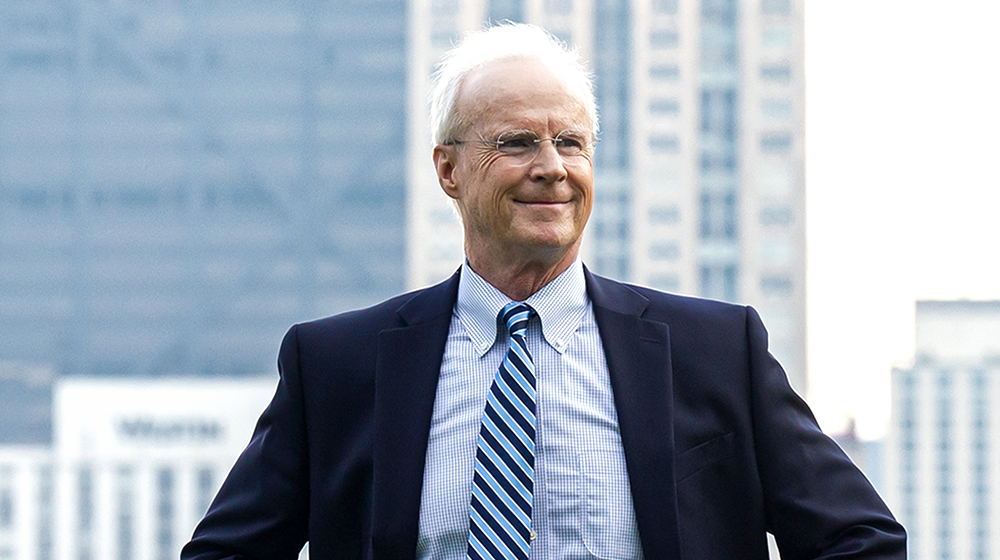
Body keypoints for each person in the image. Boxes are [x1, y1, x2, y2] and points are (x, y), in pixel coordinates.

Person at [182, 23, 905, 560]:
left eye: (573, 143)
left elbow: (860, 541)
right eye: (518, 143)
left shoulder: (716, 352)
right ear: (449, 169)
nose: (553, 167)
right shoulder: (335, 365)